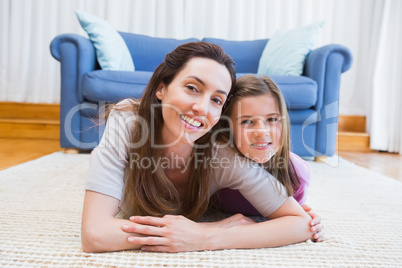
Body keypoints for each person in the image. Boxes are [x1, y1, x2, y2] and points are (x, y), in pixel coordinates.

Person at [82, 42, 317, 253]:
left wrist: (205, 236)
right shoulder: (128, 122)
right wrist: (199, 229)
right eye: (192, 88)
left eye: (216, 100)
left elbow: (300, 224)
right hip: (120, 158)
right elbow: (95, 234)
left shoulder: (221, 155)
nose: (202, 108)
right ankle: (98, 159)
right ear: (161, 88)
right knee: (99, 163)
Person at [210, 74, 323, 242]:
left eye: (271, 119)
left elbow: (295, 219)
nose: (261, 132)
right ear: (228, 129)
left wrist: (309, 220)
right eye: (247, 122)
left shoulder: (297, 176)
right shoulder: (219, 163)